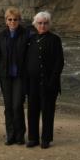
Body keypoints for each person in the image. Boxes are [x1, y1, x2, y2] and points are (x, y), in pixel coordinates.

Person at [25, 11, 64, 149]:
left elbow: (59, 62)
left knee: (48, 111)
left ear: (49, 24)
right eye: (40, 23)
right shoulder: (31, 39)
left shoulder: (55, 39)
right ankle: (32, 138)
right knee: (32, 111)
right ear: (35, 24)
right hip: (32, 83)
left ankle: (46, 139)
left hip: (49, 83)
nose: (42, 25)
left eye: (45, 23)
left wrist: (52, 81)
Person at [0, 7, 29, 146]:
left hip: (20, 76)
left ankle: (20, 135)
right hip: (5, 76)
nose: (12, 22)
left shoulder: (26, 34)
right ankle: (10, 135)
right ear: (6, 21)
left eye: (15, 19)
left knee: (17, 105)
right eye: (10, 19)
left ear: (19, 20)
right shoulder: (1, 36)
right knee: (8, 106)